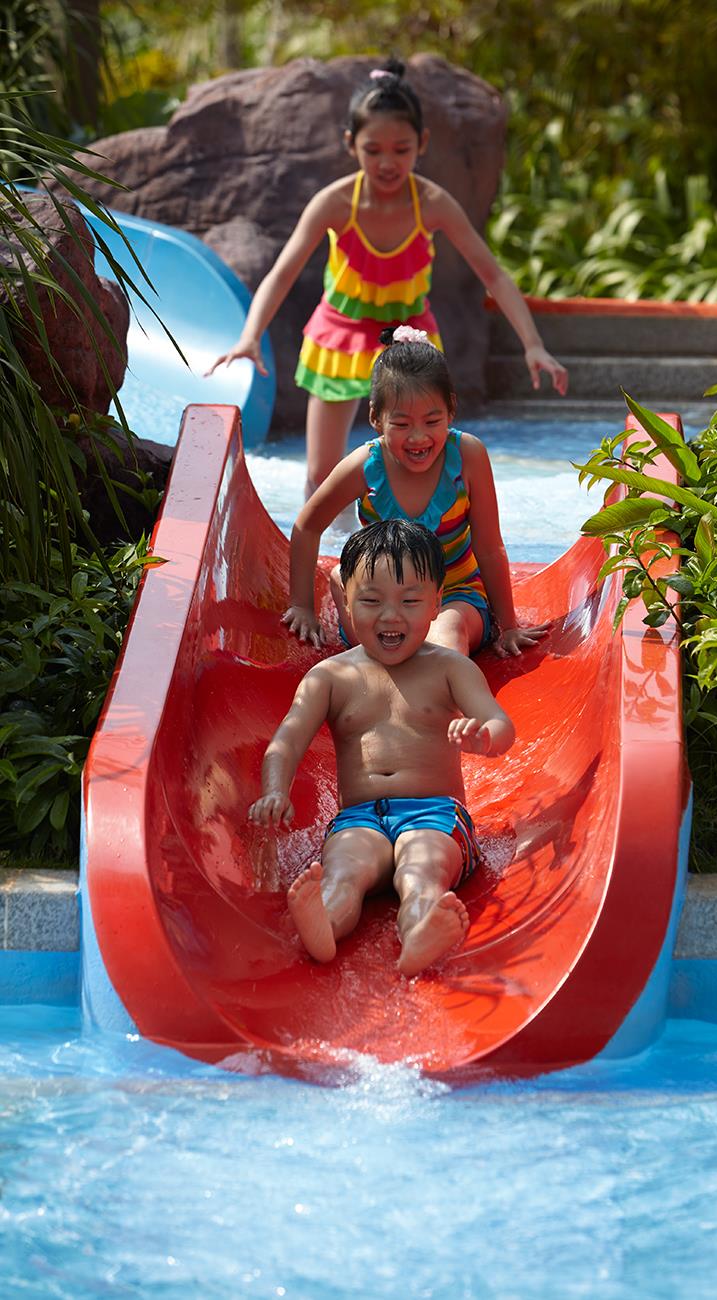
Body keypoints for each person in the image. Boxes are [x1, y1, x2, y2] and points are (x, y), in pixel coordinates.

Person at [206, 58, 568, 498]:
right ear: (350, 144)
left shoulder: (432, 203)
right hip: (340, 333)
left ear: (422, 143)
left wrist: (533, 344)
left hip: (410, 337)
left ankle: (412, 534)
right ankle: (332, 537)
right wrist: (250, 336)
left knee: (419, 457)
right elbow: (282, 273)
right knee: (322, 473)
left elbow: (491, 272)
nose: (387, 162)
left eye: (401, 149)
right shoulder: (335, 202)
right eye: (373, 149)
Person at [248, 519, 515, 976]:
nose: (391, 616)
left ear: (436, 603)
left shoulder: (450, 668)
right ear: (346, 602)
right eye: (371, 601)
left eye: (410, 601)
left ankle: (419, 932)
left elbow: (501, 723)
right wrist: (275, 790)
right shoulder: (330, 676)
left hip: (435, 813)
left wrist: (484, 736)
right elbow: (287, 741)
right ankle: (324, 923)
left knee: (421, 872)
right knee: (344, 871)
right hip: (360, 817)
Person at [282, 325, 551, 658]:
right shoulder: (366, 466)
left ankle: (431, 675)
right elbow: (307, 527)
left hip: (454, 595)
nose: (418, 437)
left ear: (451, 410)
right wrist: (301, 605)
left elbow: (489, 547)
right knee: (350, 589)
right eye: (401, 424)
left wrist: (508, 625)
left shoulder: (467, 456)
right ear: (376, 419)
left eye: (432, 421)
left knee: (446, 636)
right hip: (383, 600)